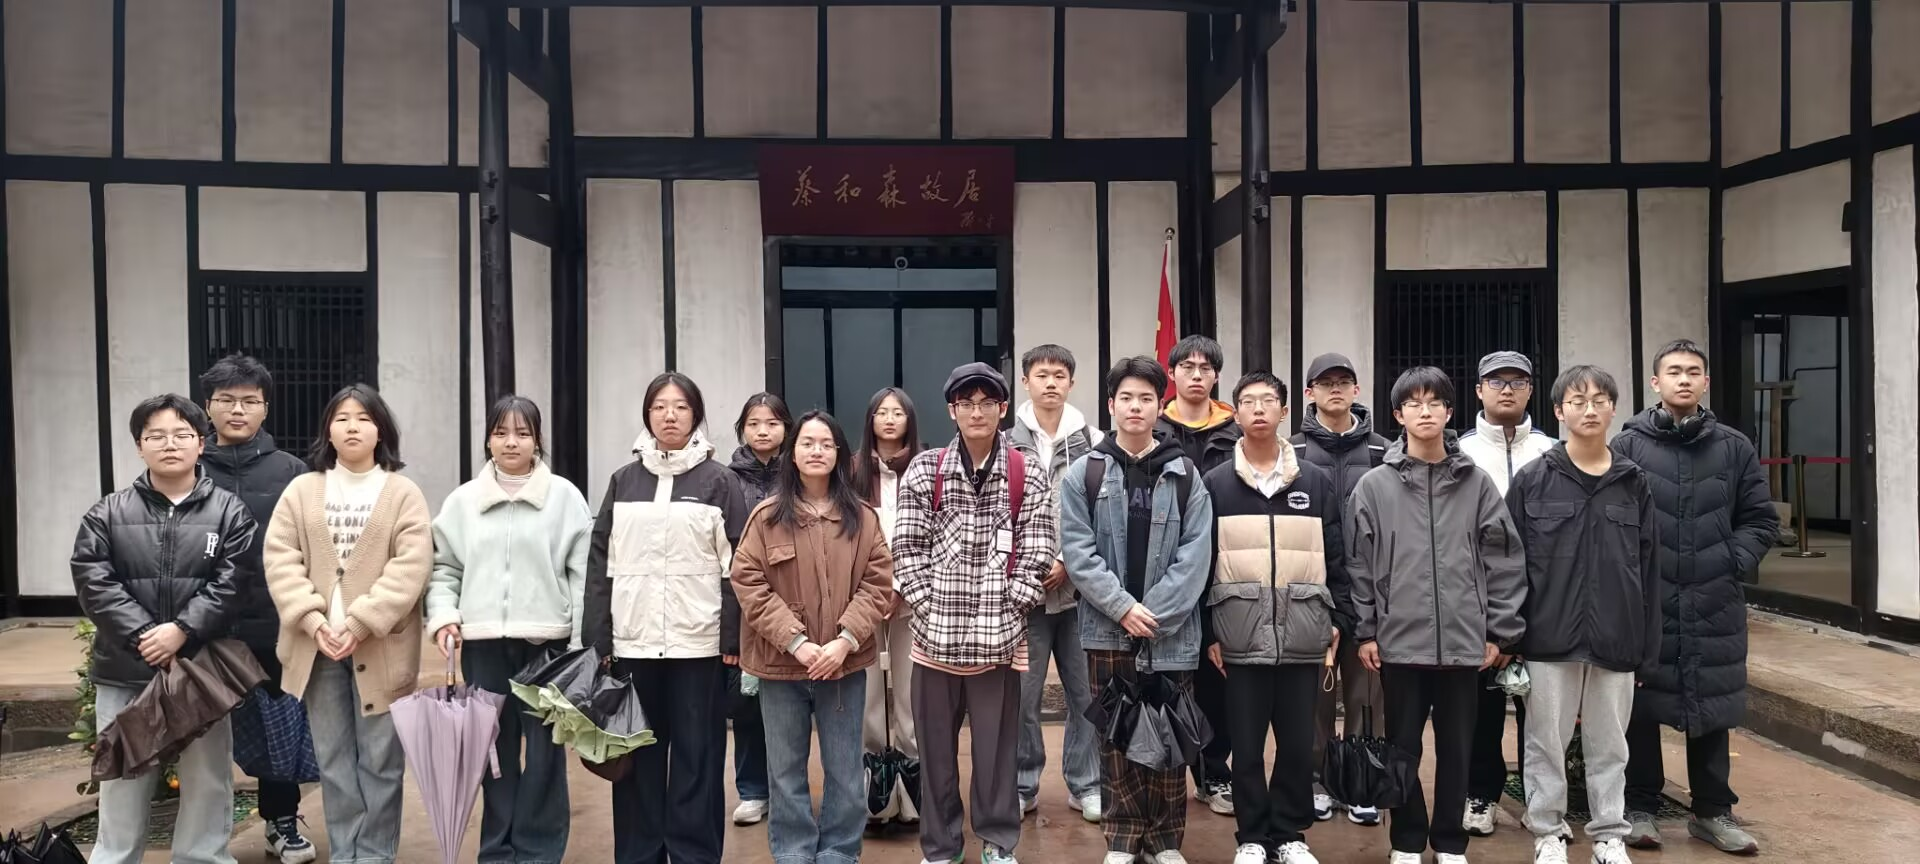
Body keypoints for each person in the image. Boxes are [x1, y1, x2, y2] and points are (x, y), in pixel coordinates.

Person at [1347, 366, 1525, 864]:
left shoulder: (1476, 484)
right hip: (1399, 641)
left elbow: (1504, 559)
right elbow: (1358, 564)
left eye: (1434, 403)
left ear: (1449, 412)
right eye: (1414, 404)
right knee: (1402, 747)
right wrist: (1366, 630)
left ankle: (1449, 841)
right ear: (1398, 414)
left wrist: (1499, 632)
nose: (1424, 412)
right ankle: (1406, 840)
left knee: (1457, 749)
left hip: (1465, 643)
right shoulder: (1374, 486)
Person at [1611, 340, 1777, 856]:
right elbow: (1612, 519)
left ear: (1705, 382)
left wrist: (1730, 560)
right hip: (1648, 599)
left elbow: (1760, 519)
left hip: (1713, 597)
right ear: (1655, 382)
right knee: (1641, 703)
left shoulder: (1733, 447)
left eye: (1693, 372)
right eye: (1673, 372)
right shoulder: (1628, 446)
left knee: (1711, 703)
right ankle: (1639, 807)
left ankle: (1713, 811)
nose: (1683, 379)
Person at [73, 394, 254, 864]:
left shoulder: (230, 512)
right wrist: (146, 636)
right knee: (123, 775)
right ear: (140, 446)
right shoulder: (107, 513)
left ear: (201, 443)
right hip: (125, 667)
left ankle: (203, 858)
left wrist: (182, 631)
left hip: (200, 666)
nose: (169, 444)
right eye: (155, 435)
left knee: (208, 777)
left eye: (181, 435)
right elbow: (94, 581)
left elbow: (234, 582)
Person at [891, 362, 1057, 864]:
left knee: (996, 753)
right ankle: (942, 846)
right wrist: (927, 606)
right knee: (936, 753)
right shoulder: (927, 469)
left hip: (999, 642)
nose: (977, 412)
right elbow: (907, 549)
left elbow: (1038, 548)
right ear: (952, 411)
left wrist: (1013, 606)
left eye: (987, 402)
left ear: (1003, 409)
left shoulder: (1026, 470)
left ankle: (998, 842)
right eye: (967, 403)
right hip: (933, 641)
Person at [583, 372, 749, 864]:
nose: (669, 415)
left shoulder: (719, 481)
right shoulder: (624, 481)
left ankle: (695, 855)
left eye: (680, 407)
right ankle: (641, 854)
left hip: (698, 645)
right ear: (647, 415)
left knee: (699, 758)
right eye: (659, 406)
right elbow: (601, 564)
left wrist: (732, 636)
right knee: (638, 757)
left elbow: (738, 565)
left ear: (695, 415)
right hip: (633, 644)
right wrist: (600, 638)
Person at [264, 384, 434, 864]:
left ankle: (375, 854)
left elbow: (411, 567)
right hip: (317, 649)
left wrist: (359, 623)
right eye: (341, 418)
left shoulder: (402, 493)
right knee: (334, 760)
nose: (352, 426)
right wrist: (313, 621)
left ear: (381, 430)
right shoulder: (302, 490)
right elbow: (281, 558)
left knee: (381, 760)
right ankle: (345, 853)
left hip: (382, 649)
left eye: (363, 418)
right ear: (328, 431)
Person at [426, 395, 592, 864]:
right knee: (491, 754)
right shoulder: (463, 502)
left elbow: (582, 575)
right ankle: (497, 851)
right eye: (501, 433)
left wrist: (578, 643)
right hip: (482, 646)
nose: (511, 442)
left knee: (543, 755)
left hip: (547, 645)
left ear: (538, 440)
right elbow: (444, 569)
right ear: (488, 440)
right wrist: (444, 616)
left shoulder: (564, 497)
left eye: (522, 433)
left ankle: (538, 852)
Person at [1062, 356, 1214, 864]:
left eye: (1146, 398)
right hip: (1108, 630)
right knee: (1116, 736)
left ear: (1159, 406)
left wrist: (1155, 614)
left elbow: (1196, 554)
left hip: (1170, 633)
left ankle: (1166, 840)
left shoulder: (1185, 474)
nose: (1135, 407)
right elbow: (1079, 553)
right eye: (1125, 397)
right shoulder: (1084, 473)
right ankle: (1123, 839)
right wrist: (1124, 608)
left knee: (1170, 735)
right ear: (1111, 405)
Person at [1507, 366, 1658, 864]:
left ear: (1613, 409)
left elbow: (1650, 568)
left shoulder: (1633, 483)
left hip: (1617, 635)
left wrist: (1646, 647)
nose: (1589, 410)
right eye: (1577, 401)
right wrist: (1511, 635)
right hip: (1548, 635)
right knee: (1545, 741)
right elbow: (1508, 562)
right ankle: (1548, 832)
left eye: (1599, 400)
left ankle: (1609, 835)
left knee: (1610, 744)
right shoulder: (1533, 480)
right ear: (1558, 411)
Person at [732, 410, 897, 864]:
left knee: (844, 768)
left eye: (826, 444)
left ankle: (839, 852)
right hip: (781, 666)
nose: (817, 451)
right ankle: (793, 852)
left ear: (839, 453)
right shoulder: (767, 517)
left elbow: (877, 582)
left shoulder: (861, 518)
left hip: (843, 666)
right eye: (807, 443)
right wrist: (797, 642)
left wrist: (844, 641)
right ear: (793, 453)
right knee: (785, 770)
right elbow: (748, 581)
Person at [1202, 372, 1352, 864]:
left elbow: (1337, 556)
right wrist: (1209, 633)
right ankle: (1251, 836)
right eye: (1248, 401)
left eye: (1269, 400)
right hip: (1239, 633)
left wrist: (1338, 619)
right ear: (1236, 413)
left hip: (1303, 630)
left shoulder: (1314, 481)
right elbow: (1202, 563)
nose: (1259, 409)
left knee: (1296, 744)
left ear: (1285, 411)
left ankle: (1289, 834)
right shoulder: (1216, 483)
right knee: (1245, 746)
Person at [195, 355, 317, 863]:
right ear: (208, 407)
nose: (237, 410)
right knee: (202, 731)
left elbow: (311, 547)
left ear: (266, 408)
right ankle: (203, 837)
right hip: (204, 625)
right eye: (226, 400)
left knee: (278, 727)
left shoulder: (292, 471)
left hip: (273, 621)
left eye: (249, 401)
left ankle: (281, 821)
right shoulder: (190, 468)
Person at [1457, 350, 1556, 838]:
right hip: (1482, 597)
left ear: (1531, 390)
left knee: (1545, 710)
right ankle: (1482, 795)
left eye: (1518, 381)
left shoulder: (1553, 450)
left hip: (1549, 597)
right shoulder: (1460, 452)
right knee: (1483, 709)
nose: (1508, 390)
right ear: (1479, 390)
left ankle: (1544, 802)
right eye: (1497, 381)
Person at [1291, 352, 1389, 827]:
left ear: (1356, 389)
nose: (1335, 389)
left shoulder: (1382, 451)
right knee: (1315, 695)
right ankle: (1316, 781)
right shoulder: (1293, 450)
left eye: (1343, 381)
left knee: (1367, 693)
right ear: (1309, 392)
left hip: (1370, 588)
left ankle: (1361, 783)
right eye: (1325, 382)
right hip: (1311, 588)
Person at [1007, 345, 1104, 823]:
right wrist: (1030, 566)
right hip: (1025, 594)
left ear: (1072, 382)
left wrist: (1068, 560)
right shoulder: (1005, 443)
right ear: (1025, 381)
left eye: (1059, 375)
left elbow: (1104, 514)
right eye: (1041, 374)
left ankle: (1086, 784)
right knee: (1022, 697)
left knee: (1086, 694)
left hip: (1082, 593)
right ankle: (1022, 784)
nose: (1051, 382)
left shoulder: (1095, 442)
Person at [1153, 334, 1240, 816]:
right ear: (1172, 374)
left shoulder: (1236, 431)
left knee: (1217, 677)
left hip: (1225, 564)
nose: (1196, 374)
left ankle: (1214, 772)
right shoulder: (1154, 429)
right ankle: (1165, 773)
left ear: (1216, 376)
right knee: (1170, 675)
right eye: (1187, 366)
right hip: (1165, 569)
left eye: (1206, 367)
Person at [853, 386, 928, 827]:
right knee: (868, 695)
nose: (888, 419)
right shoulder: (852, 470)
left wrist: (901, 586)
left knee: (910, 691)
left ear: (909, 420)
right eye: (881, 412)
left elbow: (929, 534)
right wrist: (875, 590)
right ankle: (876, 797)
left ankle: (913, 791)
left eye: (897, 412)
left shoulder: (926, 466)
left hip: (914, 598)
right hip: (864, 598)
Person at [726, 391, 792, 827]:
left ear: (786, 428)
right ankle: (753, 790)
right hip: (745, 603)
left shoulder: (800, 474)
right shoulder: (727, 479)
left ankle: (789, 790)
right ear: (742, 430)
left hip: (795, 600)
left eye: (771, 422)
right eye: (754, 423)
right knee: (747, 702)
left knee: (792, 705)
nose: (763, 431)